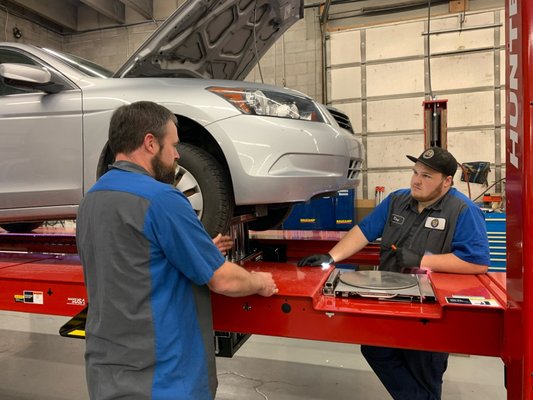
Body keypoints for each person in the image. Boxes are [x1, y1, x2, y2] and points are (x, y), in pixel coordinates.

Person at [76, 101, 278, 400]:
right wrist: (261, 281)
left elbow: (131, 258)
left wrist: (198, 251)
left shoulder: (91, 200)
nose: (177, 154)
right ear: (150, 142)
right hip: (163, 378)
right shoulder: (162, 198)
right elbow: (223, 280)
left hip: (106, 372)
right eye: (173, 145)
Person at [298, 146, 490, 400]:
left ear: (446, 182)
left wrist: (422, 260)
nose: (416, 180)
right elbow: (364, 231)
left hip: (429, 311)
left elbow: (477, 263)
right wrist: (332, 256)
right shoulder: (397, 200)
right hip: (389, 301)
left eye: (426, 176)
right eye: (415, 172)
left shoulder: (463, 210)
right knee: (374, 348)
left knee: (423, 368)